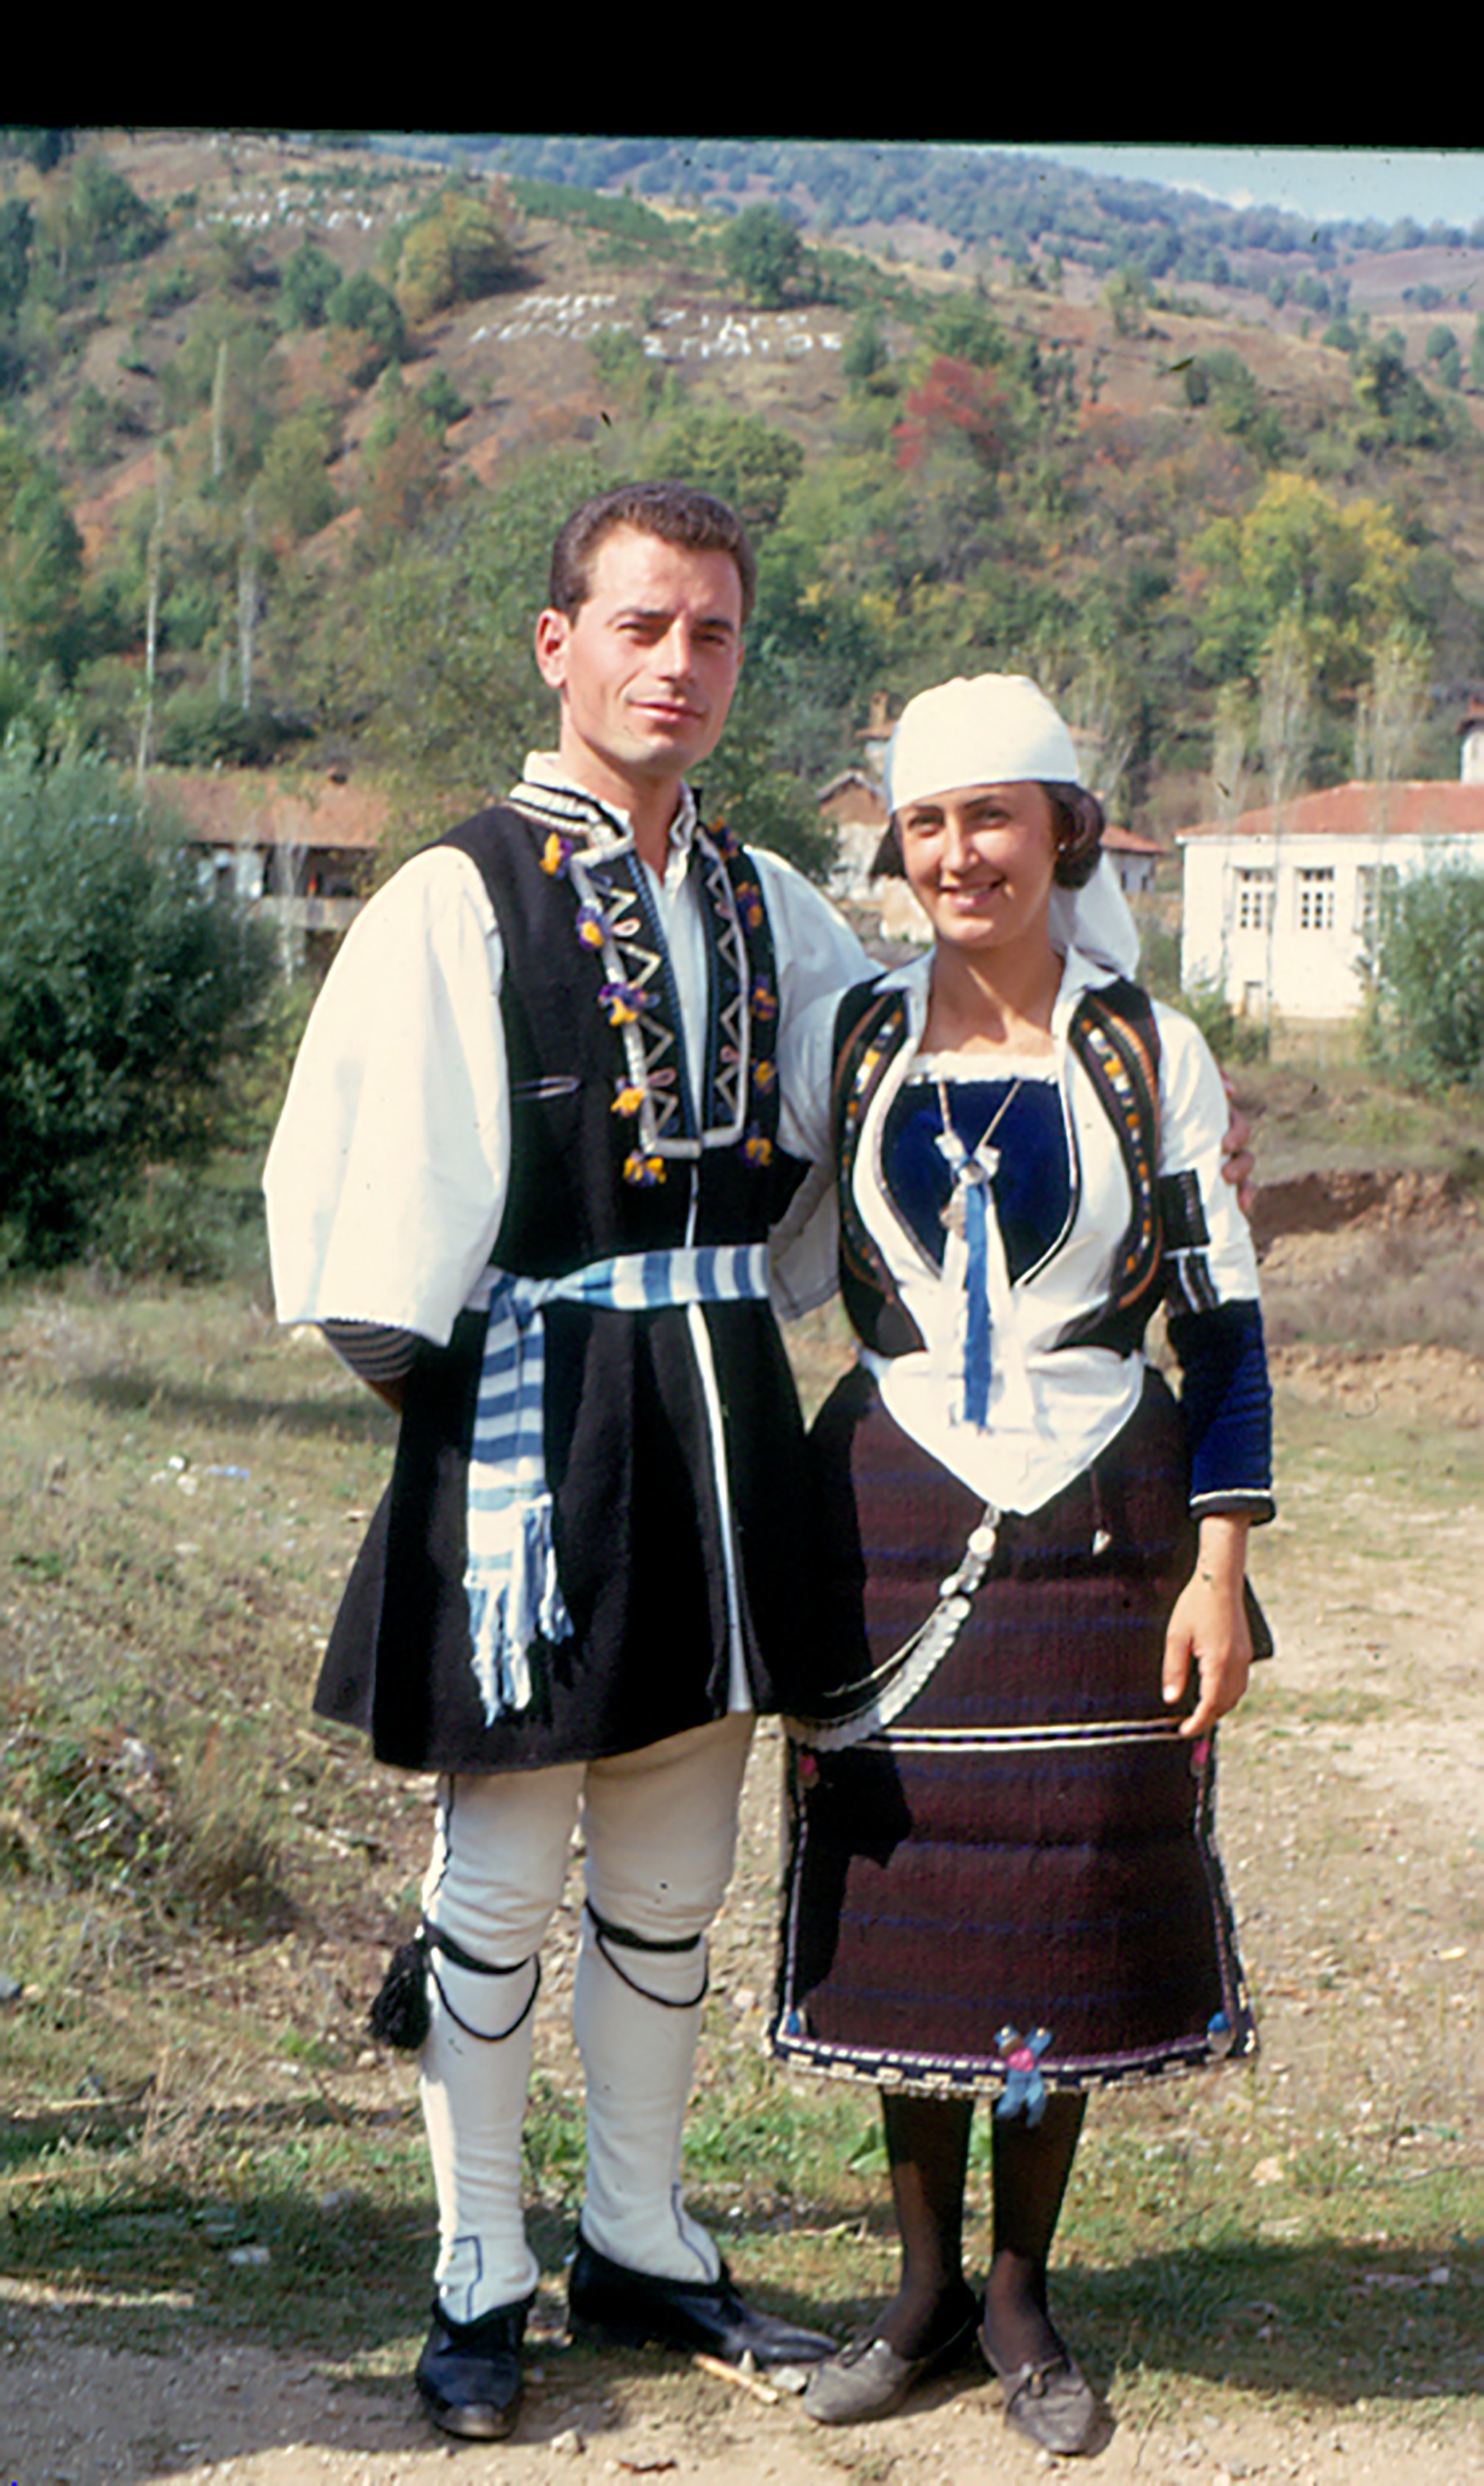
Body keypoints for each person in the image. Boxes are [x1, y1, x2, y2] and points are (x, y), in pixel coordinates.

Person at [264, 482, 874, 2440]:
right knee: (502, 1882)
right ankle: (478, 2266)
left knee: (675, 1880)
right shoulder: (457, 896)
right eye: (639, 624)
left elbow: (884, 1100)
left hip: (721, 1436)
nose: (676, 664)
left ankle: (636, 2235)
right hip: (534, 1446)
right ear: (558, 644)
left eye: (710, 633)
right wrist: (486, 1464)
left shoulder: (773, 904)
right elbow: (364, 1231)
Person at [767, 675, 1272, 2457]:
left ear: (1064, 830)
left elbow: (1221, 1332)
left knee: (1058, 1896)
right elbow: (753, 1244)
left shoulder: (1143, 1053)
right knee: (911, 1902)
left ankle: (1017, 2299)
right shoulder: (852, 1043)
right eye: (925, 822)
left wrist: (1217, 1569)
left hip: (1104, 1521)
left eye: (992, 816)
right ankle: (915, 2294)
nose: (958, 853)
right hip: (890, 1513)